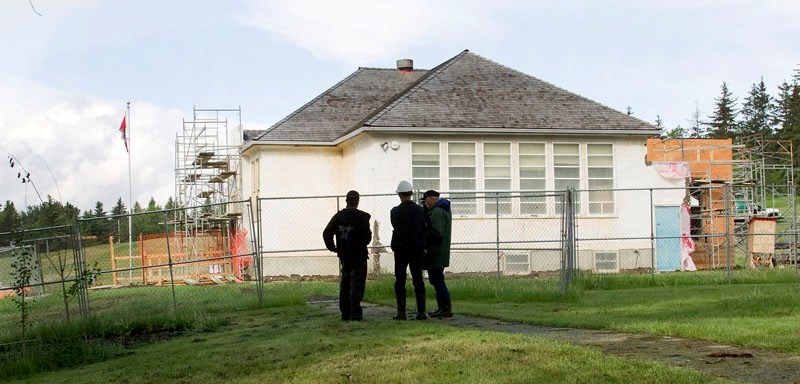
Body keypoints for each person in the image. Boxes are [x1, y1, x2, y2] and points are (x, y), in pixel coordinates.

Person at [323, 190, 372, 321]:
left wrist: (333, 247)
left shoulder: (338, 216)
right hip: (359, 255)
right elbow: (367, 237)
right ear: (357, 201)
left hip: (344, 254)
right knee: (357, 283)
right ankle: (355, 313)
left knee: (345, 283)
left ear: (346, 201)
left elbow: (327, 233)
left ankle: (345, 312)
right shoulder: (362, 217)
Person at [389, 180, 427, 320]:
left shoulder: (395, 212)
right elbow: (424, 227)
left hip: (400, 249)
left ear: (399, 195)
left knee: (400, 280)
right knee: (418, 280)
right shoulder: (420, 211)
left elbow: (395, 224)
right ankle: (421, 312)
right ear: (411, 194)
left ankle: (401, 312)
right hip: (416, 249)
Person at [422, 189, 453, 318]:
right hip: (441, 251)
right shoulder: (444, 209)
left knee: (437, 280)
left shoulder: (436, 212)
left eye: (425, 201)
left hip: (436, 251)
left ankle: (445, 308)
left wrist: (423, 234)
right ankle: (442, 307)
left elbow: (437, 232)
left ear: (429, 198)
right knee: (436, 279)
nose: (425, 204)